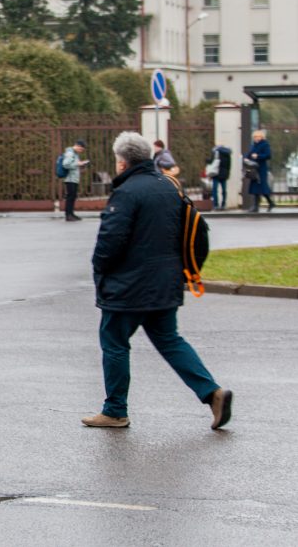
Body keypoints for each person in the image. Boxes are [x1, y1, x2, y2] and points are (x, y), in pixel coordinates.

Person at [82, 131, 232, 430]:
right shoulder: (170, 186)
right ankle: (212, 393)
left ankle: (114, 411)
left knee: (114, 343)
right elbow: (198, 233)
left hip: (129, 287)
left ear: (122, 163)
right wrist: (189, 271)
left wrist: (100, 271)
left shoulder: (126, 193)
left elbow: (110, 242)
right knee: (169, 340)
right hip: (166, 282)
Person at [61, 139, 89, 221]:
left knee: (72, 197)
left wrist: (80, 164)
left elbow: (71, 164)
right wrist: (78, 163)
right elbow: (65, 164)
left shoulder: (74, 153)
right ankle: (68, 215)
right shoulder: (70, 153)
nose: (81, 151)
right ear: (78, 146)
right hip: (70, 179)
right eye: (81, 149)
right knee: (70, 197)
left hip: (73, 178)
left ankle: (71, 214)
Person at [247, 130, 274, 212]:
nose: (256, 138)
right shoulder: (253, 145)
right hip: (254, 169)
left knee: (262, 186)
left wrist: (258, 156)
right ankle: (256, 206)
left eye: (257, 136)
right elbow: (249, 154)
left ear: (262, 137)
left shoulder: (265, 145)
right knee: (255, 187)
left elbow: (268, 155)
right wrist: (246, 157)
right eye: (255, 136)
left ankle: (270, 202)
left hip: (261, 168)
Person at [206, 144, 232, 210]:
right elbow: (229, 165)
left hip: (216, 174)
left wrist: (206, 160)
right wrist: (228, 174)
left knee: (215, 190)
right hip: (224, 174)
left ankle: (216, 205)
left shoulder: (215, 152)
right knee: (224, 190)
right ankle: (223, 204)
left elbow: (211, 162)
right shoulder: (227, 154)